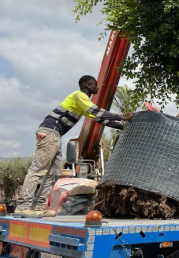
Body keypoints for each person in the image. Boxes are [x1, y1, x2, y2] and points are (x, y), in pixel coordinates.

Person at [14, 75, 133, 218]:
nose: (97, 87)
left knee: (54, 173)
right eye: (95, 85)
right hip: (49, 132)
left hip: (55, 135)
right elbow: (96, 111)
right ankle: (23, 206)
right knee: (38, 169)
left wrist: (121, 126)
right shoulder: (79, 96)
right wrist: (122, 116)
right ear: (87, 85)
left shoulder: (82, 103)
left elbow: (100, 118)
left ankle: (38, 207)